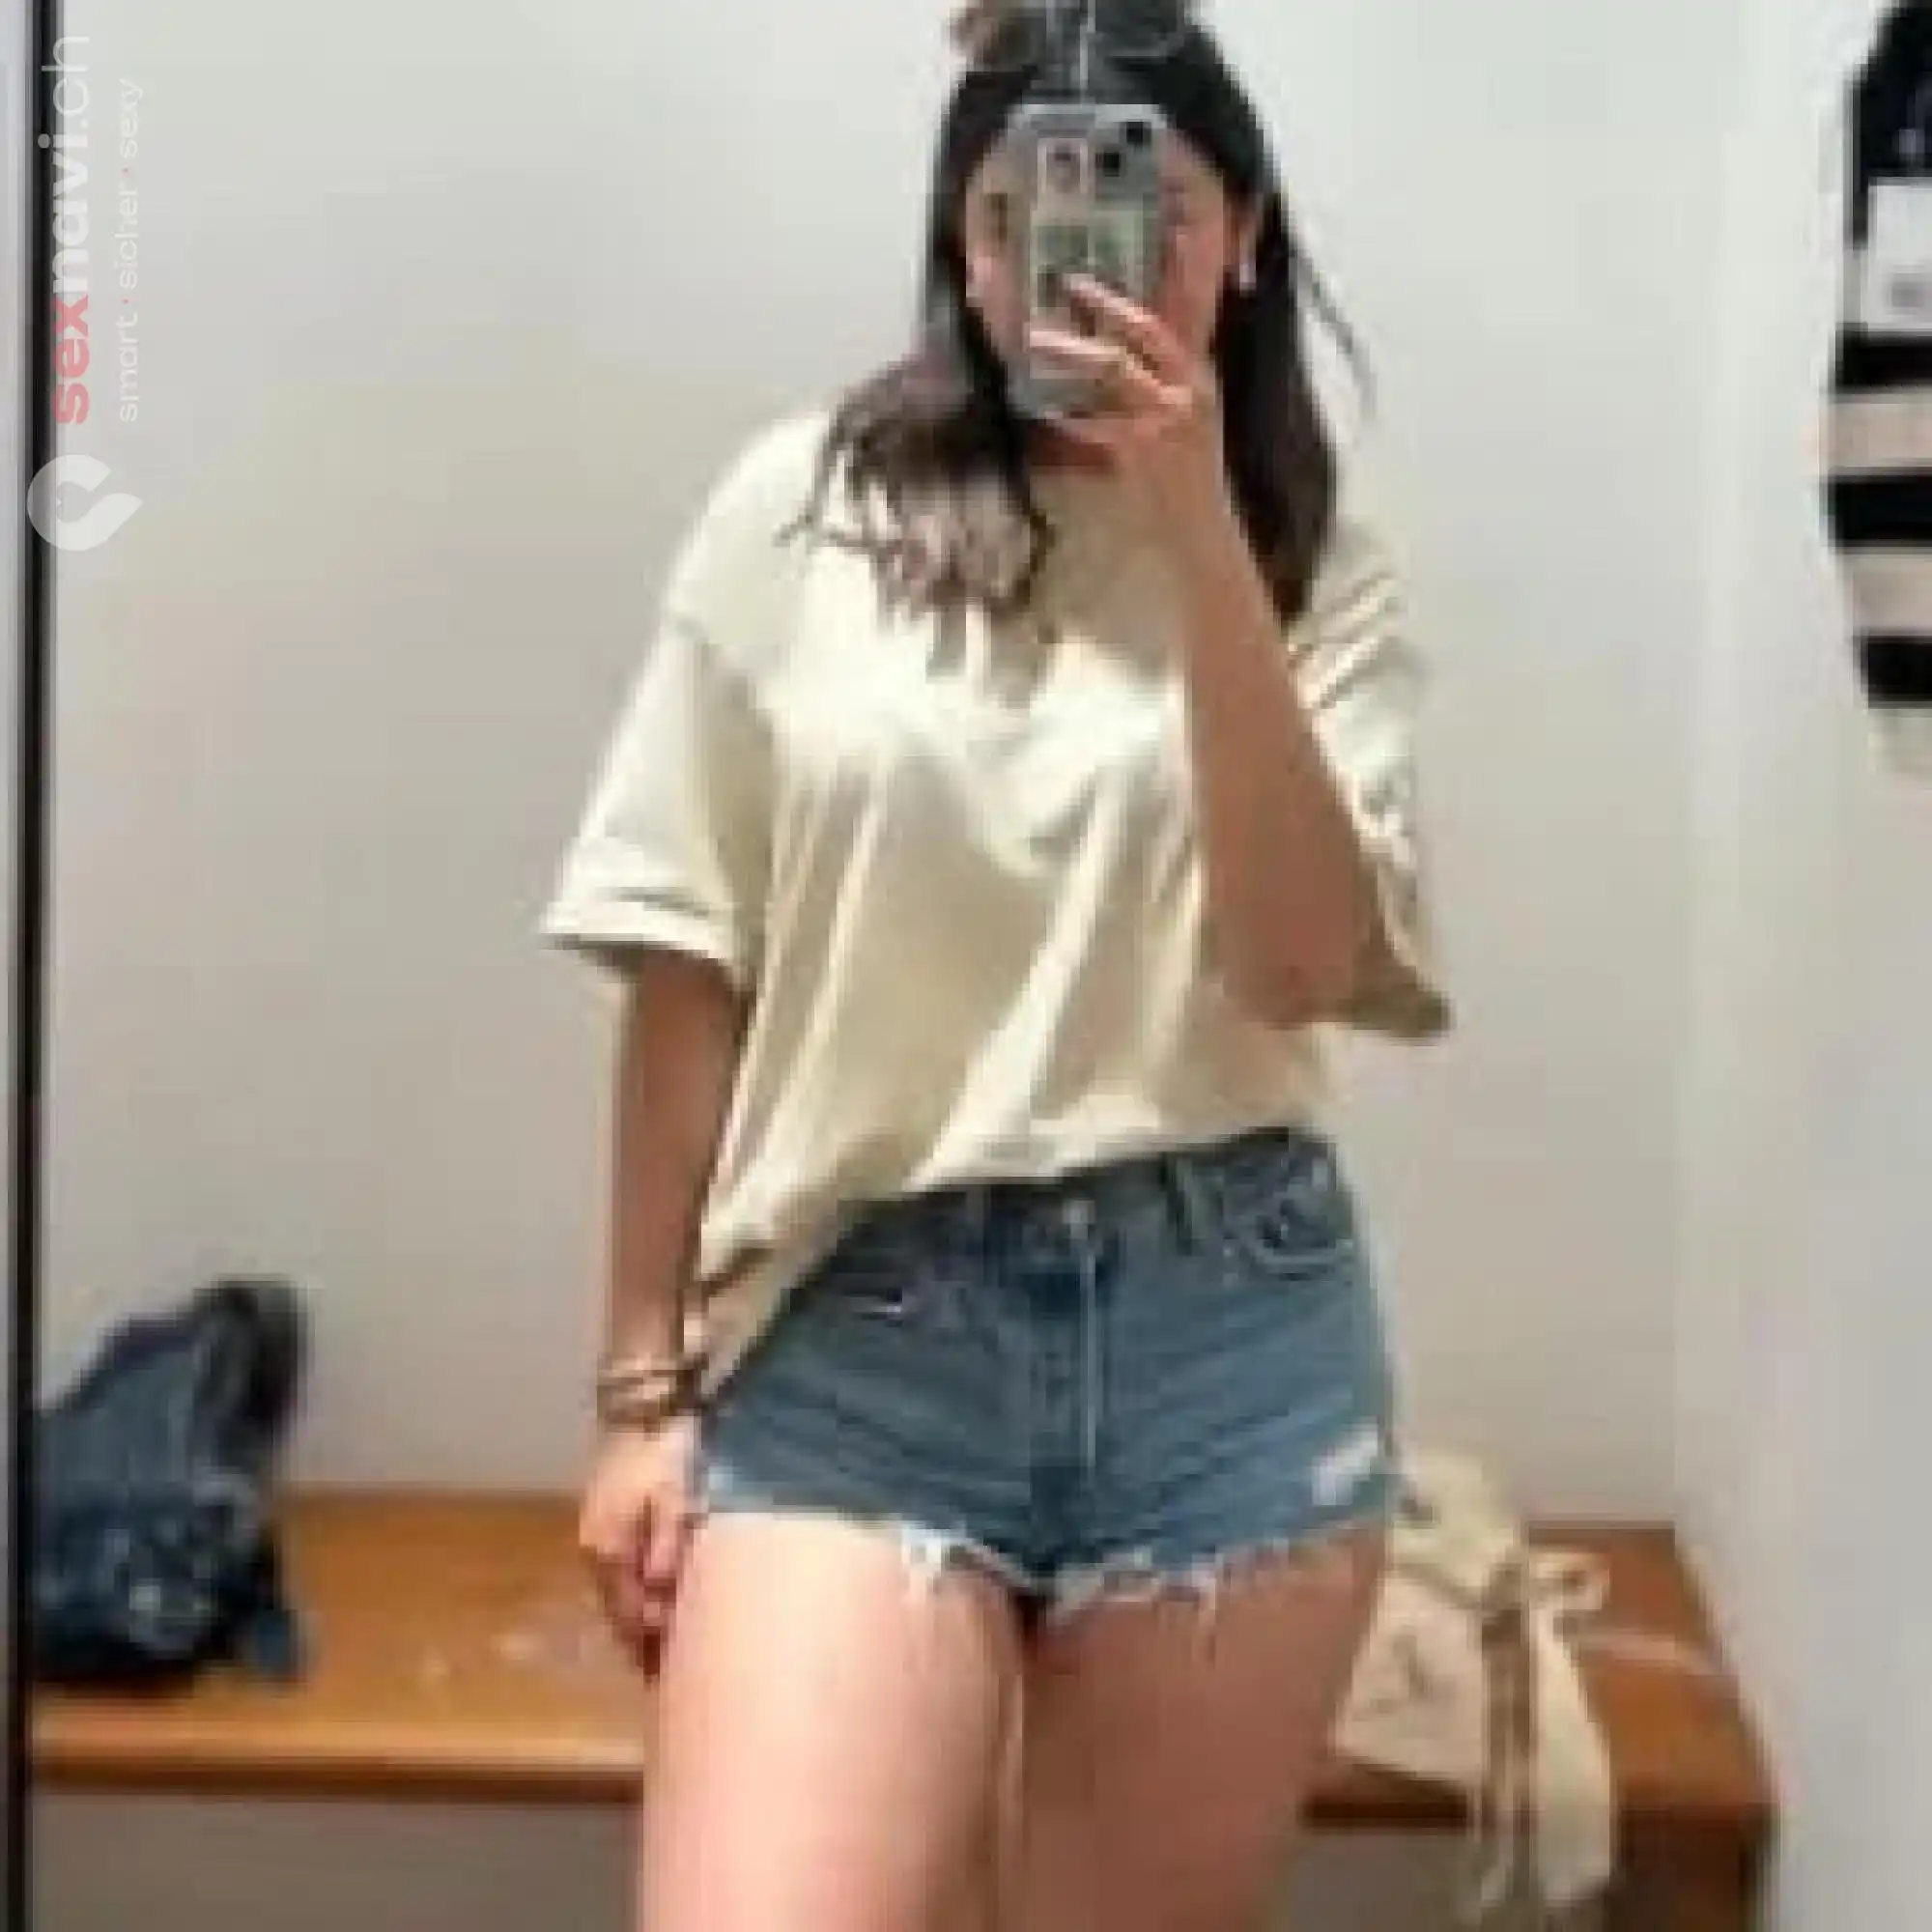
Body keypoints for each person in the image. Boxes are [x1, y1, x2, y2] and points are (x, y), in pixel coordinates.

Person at [538, 6, 1452, 1928]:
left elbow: (1299, 960)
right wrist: (639, 1393)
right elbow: (684, 957)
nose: (1084, 252)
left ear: (1246, 236)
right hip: (860, 1331)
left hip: (1229, 1333)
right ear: (963, 249)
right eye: (1019, 210)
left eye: (1150, 208)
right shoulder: (804, 510)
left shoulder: (1321, 566)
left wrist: (1197, 531)